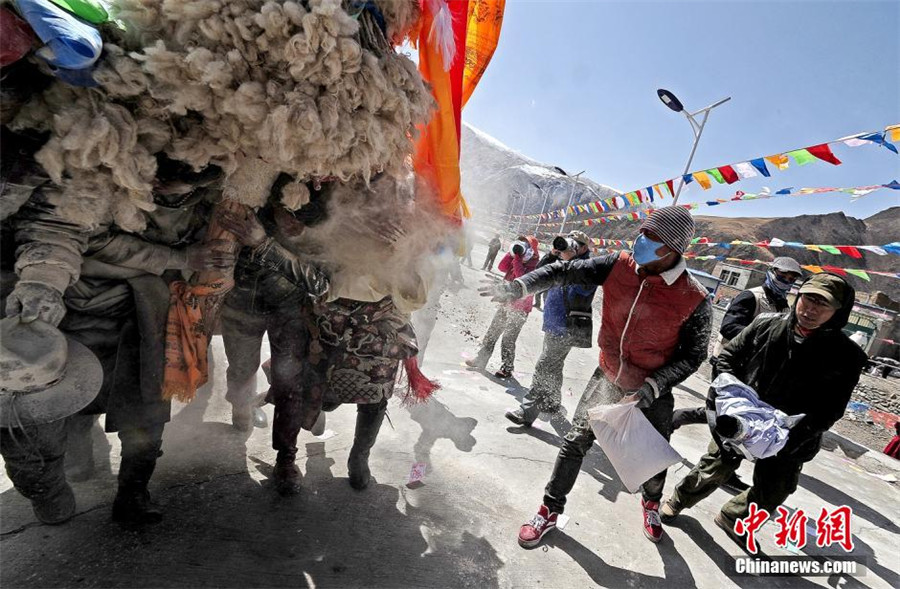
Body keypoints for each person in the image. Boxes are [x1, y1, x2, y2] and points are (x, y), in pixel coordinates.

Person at [484, 207, 711, 546]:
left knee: (649, 460)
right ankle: (549, 510)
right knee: (575, 442)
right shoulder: (617, 265)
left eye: (653, 238)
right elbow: (563, 271)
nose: (641, 242)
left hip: (652, 391)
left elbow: (694, 356)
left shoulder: (695, 298)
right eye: (642, 233)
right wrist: (520, 287)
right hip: (606, 378)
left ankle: (651, 504)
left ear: (673, 249)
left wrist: (653, 387)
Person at [659, 273, 868, 551]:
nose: (811, 309)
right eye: (808, 299)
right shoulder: (765, 324)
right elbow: (728, 358)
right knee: (713, 468)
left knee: (775, 489)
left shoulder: (847, 355)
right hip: (743, 419)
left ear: (838, 312)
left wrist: (797, 434)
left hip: (792, 432)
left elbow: (832, 407)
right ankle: (678, 501)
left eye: (823, 304)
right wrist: (728, 397)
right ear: (798, 297)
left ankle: (733, 517)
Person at [671, 256, 802, 491]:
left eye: (792, 279)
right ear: (771, 272)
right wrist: (762, 339)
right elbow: (729, 327)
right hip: (729, 365)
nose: (787, 281)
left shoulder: (784, 306)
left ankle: (683, 420)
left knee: (736, 416)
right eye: (783, 276)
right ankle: (722, 467)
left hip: (755, 373)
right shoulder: (751, 297)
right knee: (731, 416)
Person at [218, 176, 330, 435]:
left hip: (291, 301)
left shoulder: (324, 205)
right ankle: (242, 406)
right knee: (242, 365)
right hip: (243, 297)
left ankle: (307, 412)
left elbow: (320, 283)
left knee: (291, 368)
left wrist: (273, 241)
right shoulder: (249, 190)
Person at [506, 231, 596, 426]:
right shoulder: (559, 262)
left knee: (544, 366)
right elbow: (537, 275)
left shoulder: (588, 268)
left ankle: (527, 411)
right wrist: (552, 254)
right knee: (554, 366)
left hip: (567, 328)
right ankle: (552, 403)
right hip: (552, 324)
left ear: (582, 248)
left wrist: (573, 260)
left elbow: (583, 289)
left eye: (574, 243)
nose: (567, 246)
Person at [466, 235, 540, 379]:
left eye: (526, 245)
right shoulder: (517, 259)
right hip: (507, 303)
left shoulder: (534, 266)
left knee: (508, 339)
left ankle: (507, 368)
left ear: (532, 250)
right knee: (492, 332)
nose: (522, 248)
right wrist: (512, 254)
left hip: (520, 309)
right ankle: (481, 359)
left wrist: (518, 259)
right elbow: (502, 267)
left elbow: (521, 279)